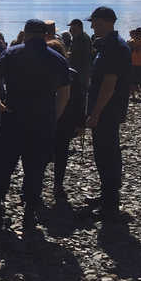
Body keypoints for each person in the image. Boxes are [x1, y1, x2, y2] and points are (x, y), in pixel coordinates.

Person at [0, 19, 70, 229]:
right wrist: (55, 115)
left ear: (25, 33)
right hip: (42, 121)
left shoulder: (12, 53)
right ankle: (30, 210)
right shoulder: (57, 58)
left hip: (13, 118)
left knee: (3, 164)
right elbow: (65, 93)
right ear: (45, 34)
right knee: (35, 167)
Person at [85, 6, 132, 223]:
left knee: (107, 154)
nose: (92, 26)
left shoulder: (114, 47)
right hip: (108, 110)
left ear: (105, 21)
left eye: (94, 22)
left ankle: (110, 203)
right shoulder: (110, 45)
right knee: (104, 153)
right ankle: (107, 196)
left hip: (107, 110)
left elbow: (109, 84)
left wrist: (95, 113)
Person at [48, 38, 86, 204]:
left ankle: (33, 186)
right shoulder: (72, 73)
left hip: (45, 118)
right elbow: (79, 100)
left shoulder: (41, 71)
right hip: (66, 119)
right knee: (61, 153)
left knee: (40, 152)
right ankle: (58, 184)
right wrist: (80, 123)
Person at [67, 19, 93, 90]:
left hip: (82, 74)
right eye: (70, 29)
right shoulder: (76, 38)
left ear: (79, 28)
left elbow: (85, 58)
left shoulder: (84, 39)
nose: (70, 31)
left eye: (73, 28)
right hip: (76, 72)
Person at [128, 29, 141, 102]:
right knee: (133, 81)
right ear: (138, 34)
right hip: (133, 63)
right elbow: (129, 53)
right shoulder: (131, 42)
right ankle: (133, 95)